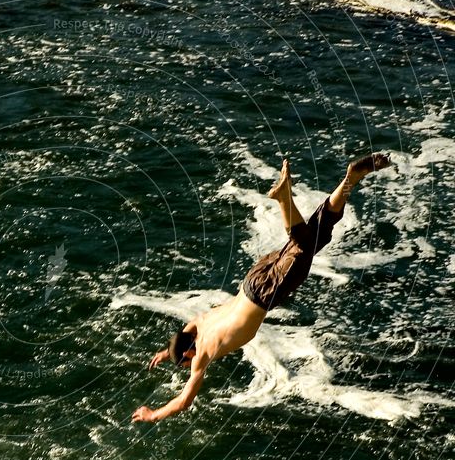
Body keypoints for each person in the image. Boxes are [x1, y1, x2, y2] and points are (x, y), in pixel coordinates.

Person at [131, 153, 392, 423]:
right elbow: (186, 331)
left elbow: (184, 402)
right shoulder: (200, 324)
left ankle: (284, 199)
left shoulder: (203, 353)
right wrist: (167, 351)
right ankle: (352, 178)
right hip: (252, 279)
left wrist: (153, 414)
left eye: (184, 363)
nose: (187, 368)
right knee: (317, 233)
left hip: (265, 291)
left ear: (189, 354)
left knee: (306, 243)